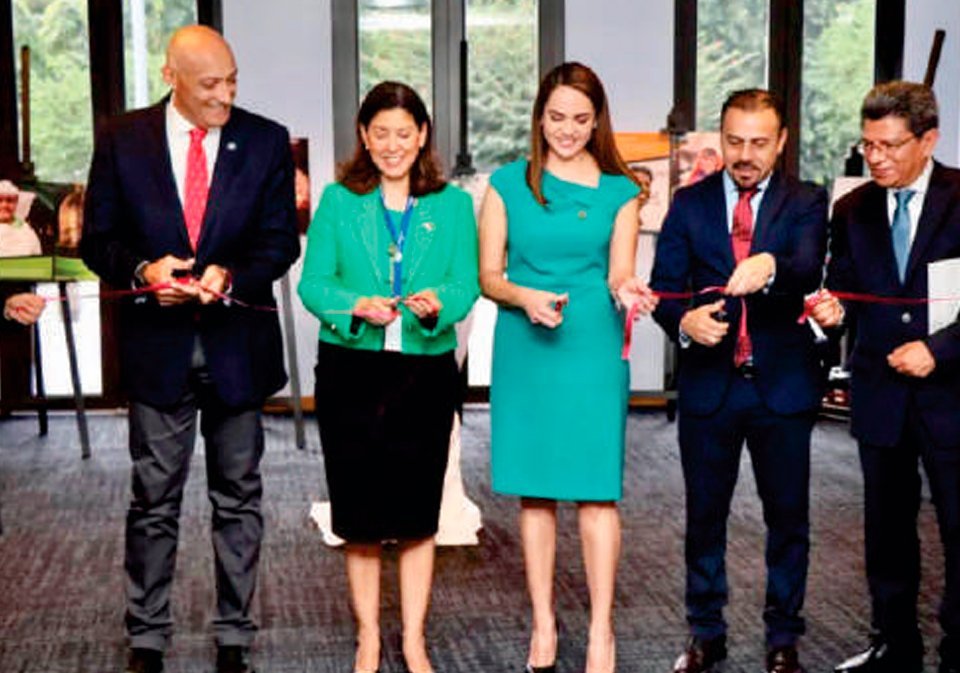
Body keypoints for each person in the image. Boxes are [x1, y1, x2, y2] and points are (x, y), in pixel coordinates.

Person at [80, 25, 299, 673]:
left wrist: (229, 277)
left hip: (237, 348)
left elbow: (279, 242)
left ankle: (235, 634)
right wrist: (145, 270)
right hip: (158, 349)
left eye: (232, 81)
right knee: (154, 499)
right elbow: (98, 240)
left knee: (239, 497)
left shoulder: (264, 140)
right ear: (170, 76)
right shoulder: (122, 139)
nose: (225, 96)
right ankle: (147, 636)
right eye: (210, 85)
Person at [479, 62, 657, 673]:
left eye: (581, 119)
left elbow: (618, 273)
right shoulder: (508, 184)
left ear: (597, 120)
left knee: (596, 492)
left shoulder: (621, 191)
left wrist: (630, 291)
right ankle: (543, 623)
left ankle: (602, 630)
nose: (568, 130)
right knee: (536, 494)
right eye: (556, 117)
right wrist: (524, 297)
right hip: (526, 344)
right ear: (539, 118)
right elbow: (489, 276)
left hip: (591, 347)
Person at [298, 81, 478, 673]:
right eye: (381, 134)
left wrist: (439, 303)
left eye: (404, 133)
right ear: (364, 136)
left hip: (425, 372)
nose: (393, 145)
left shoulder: (451, 205)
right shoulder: (338, 201)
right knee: (360, 514)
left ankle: (414, 639)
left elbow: (466, 281)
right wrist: (355, 304)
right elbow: (314, 283)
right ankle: (369, 637)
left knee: (419, 512)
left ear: (422, 135)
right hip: (352, 369)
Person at [649, 89, 828, 673]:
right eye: (734, 141)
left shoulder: (806, 201)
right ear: (720, 138)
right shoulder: (690, 203)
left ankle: (783, 637)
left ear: (781, 142)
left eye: (758, 142)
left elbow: (806, 267)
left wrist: (771, 265)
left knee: (788, 519)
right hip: (710, 386)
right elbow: (665, 289)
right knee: (705, 517)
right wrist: (684, 322)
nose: (745, 154)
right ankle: (706, 631)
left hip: (782, 386)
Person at [810, 81, 960, 673]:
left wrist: (939, 350)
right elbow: (845, 288)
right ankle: (895, 648)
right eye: (868, 144)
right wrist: (834, 312)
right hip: (881, 395)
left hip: (950, 396)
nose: (875, 158)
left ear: (929, 140)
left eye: (890, 146)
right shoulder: (853, 210)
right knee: (887, 534)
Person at [0, 180, 42, 257]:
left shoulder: (27, 232)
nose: (4, 205)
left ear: (17, 203)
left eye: (9, 200)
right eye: (0, 200)